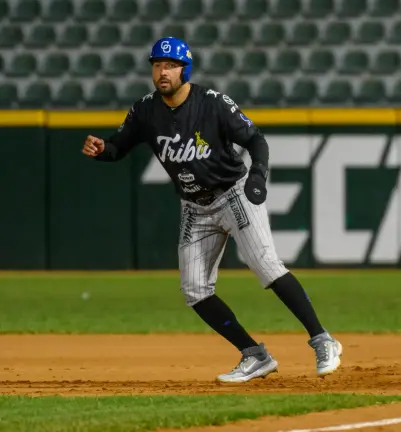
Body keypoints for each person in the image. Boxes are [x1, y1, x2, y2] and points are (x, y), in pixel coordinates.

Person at [81, 37, 342, 383]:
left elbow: (255, 140)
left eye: (170, 65)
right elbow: (119, 146)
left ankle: (323, 339)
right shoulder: (145, 109)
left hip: (232, 193)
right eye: (158, 65)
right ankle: (255, 355)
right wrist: (103, 149)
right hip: (194, 205)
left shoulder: (213, 103)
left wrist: (259, 174)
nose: (163, 72)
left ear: (184, 70)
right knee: (194, 290)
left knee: (264, 263)